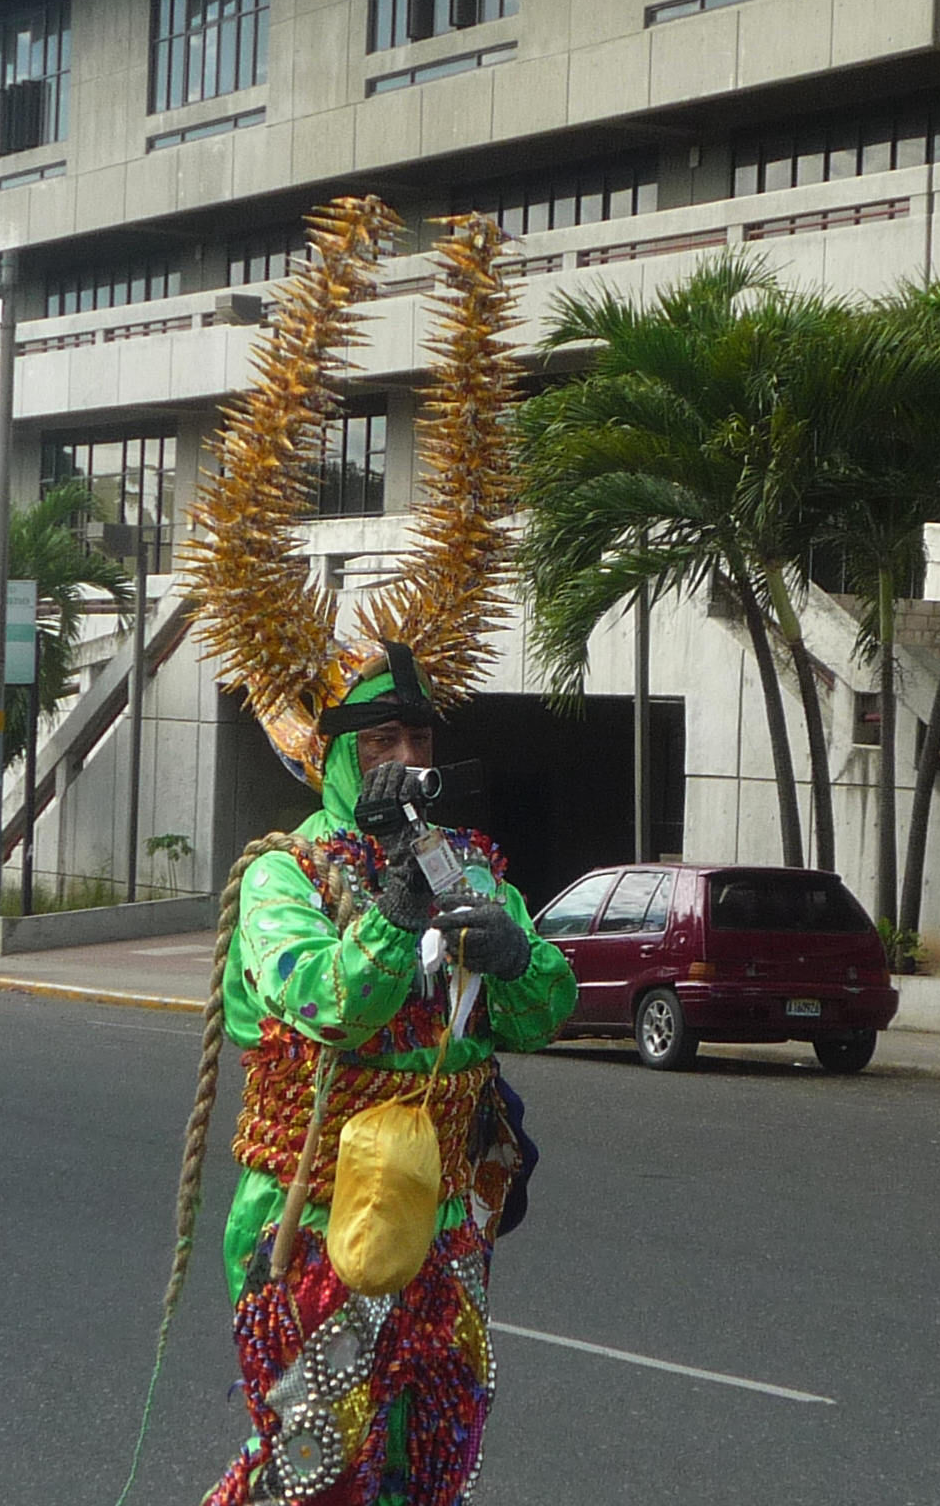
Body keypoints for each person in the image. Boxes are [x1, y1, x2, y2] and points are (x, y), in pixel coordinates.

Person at [201, 641, 577, 1506]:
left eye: (418, 738)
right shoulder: (282, 875)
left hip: (443, 1219)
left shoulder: (469, 867)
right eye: (379, 741)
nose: (405, 760)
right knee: (317, 1463)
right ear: (334, 754)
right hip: (315, 1210)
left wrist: (520, 961)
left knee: (432, 1454)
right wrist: (395, 918)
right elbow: (330, 1004)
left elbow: (538, 1018)